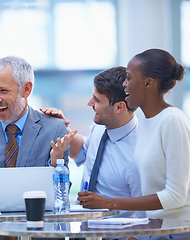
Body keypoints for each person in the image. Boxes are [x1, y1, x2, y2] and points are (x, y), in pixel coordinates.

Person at [78, 49, 190, 239]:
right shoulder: (146, 121)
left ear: (148, 83)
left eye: (129, 78)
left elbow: (176, 196)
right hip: (154, 230)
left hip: (174, 232)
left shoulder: (172, 120)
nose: (124, 84)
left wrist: (109, 202)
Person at [0, 56, 71, 240]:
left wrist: (55, 162)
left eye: (3, 91)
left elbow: (60, 198)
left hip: (39, 233)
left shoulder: (54, 128)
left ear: (26, 89)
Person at [44, 67, 142, 201]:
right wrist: (60, 128)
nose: (89, 103)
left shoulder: (139, 154)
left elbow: (144, 213)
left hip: (113, 221)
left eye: (97, 100)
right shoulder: (101, 127)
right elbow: (85, 153)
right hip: (85, 220)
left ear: (120, 107)